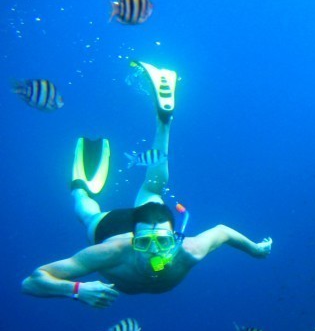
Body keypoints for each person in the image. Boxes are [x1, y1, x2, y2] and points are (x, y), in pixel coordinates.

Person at [21, 62, 272, 308]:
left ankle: (164, 122)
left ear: (176, 240)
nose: (153, 251)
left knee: (152, 190)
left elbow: (223, 231)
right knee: (89, 214)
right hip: (110, 229)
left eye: (163, 243)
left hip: (146, 221)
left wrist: (256, 251)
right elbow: (31, 282)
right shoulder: (110, 253)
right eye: (143, 243)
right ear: (133, 241)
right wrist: (77, 289)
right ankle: (81, 186)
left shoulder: (190, 250)